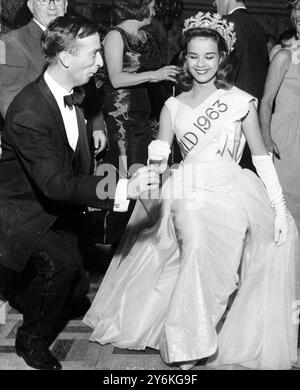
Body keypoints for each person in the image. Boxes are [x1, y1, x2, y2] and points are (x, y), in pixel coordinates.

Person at [83, 12, 299, 370]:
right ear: (185, 58)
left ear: (222, 58)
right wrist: (146, 174)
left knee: (223, 268)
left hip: (232, 190)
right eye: (194, 56)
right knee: (196, 245)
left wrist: (278, 208)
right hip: (189, 189)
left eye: (209, 56)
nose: (201, 64)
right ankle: (185, 342)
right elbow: (159, 160)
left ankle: (200, 327)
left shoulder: (241, 102)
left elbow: (260, 159)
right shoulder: (172, 105)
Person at [0, 15, 159, 371]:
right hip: (21, 210)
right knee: (63, 266)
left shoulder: (78, 91)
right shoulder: (28, 112)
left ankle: (55, 295)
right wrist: (121, 187)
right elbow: (54, 183)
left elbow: (79, 162)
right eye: (93, 55)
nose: (101, 62)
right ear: (66, 58)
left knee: (76, 284)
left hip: (60, 203)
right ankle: (31, 339)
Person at [91, 0, 179, 246]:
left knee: (142, 174)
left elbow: (155, 74)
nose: (154, 10)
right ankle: (110, 242)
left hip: (143, 114)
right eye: (151, 4)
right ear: (137, 6)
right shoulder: (115, 36)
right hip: (121, 116)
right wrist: (155, 74)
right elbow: (116, 78)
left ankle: (134, 240)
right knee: (122, 175)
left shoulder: (146, 36)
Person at [214, 0, 269, 173]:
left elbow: (218, 71)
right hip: (252, 114)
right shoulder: (258, 26)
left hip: (229, 117)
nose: (213, 3)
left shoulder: (226, 24)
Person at [260, 1, 300, 234]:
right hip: (286, 135)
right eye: (296, 19)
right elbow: (265, 101)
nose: (298, 24)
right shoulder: (284, 55)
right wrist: (266, 139)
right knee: (286, 203)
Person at [0, 0, 68, 117]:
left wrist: (97, 127)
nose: (52, 6)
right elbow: (11, 104)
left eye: (58, 0)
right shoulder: (11, 42)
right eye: (44, 0)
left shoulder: (75, 39)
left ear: (66, 5)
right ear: (31, 6)